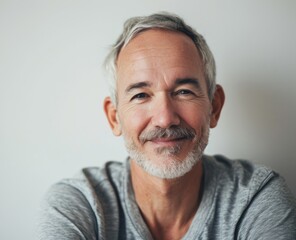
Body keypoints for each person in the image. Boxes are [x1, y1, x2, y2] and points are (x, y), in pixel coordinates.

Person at [39, 12, 296, 239]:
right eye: (140, 95)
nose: (164, 118)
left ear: (214, 108)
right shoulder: (80, 204)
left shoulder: (256, 198)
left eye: (183, 91)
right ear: (114, 117)